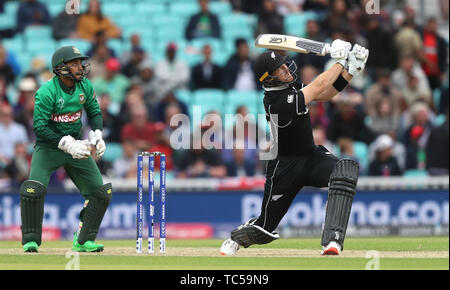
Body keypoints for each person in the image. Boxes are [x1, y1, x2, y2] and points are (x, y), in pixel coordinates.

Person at [220, 40, 369, 256]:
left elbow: (325, 94)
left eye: (283, 64)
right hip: (284, 167)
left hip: (310, 157)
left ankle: (332, 240)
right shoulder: (275, 101)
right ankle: (235, 238)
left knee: (345, 169)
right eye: (278, 69)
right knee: (265, 229)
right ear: (268, 78)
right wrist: (338, 61)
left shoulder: (292, 88)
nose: (284, 69)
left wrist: (350, 70)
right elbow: (318, 86)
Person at [19, 46, 110, 253]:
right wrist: (65, 143)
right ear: (61, 67)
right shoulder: (46, 91)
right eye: (75, 63)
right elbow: (39, 128)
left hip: (77, 146)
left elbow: (94, 111)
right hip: (49, 148)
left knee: (100, 193)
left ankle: (83, 240)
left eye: (80, 62)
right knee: (33, 190)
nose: (80, 67)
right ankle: (30, 240)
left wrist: (97, 133)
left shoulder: (85, 85)